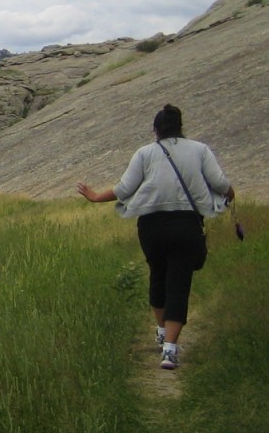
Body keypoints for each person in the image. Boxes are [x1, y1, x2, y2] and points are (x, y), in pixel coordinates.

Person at [77, 104, 235, 370]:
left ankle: (162, 332)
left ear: (155, 130)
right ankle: (170, 350)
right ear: (180, 126)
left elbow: (125, 188)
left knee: (158, 276)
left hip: (152, 227)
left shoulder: (145, 153)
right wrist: (231, 194)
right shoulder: (199, 150)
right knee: (179, 283)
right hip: (186, 225)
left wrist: (94, 197)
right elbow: (219, 183)